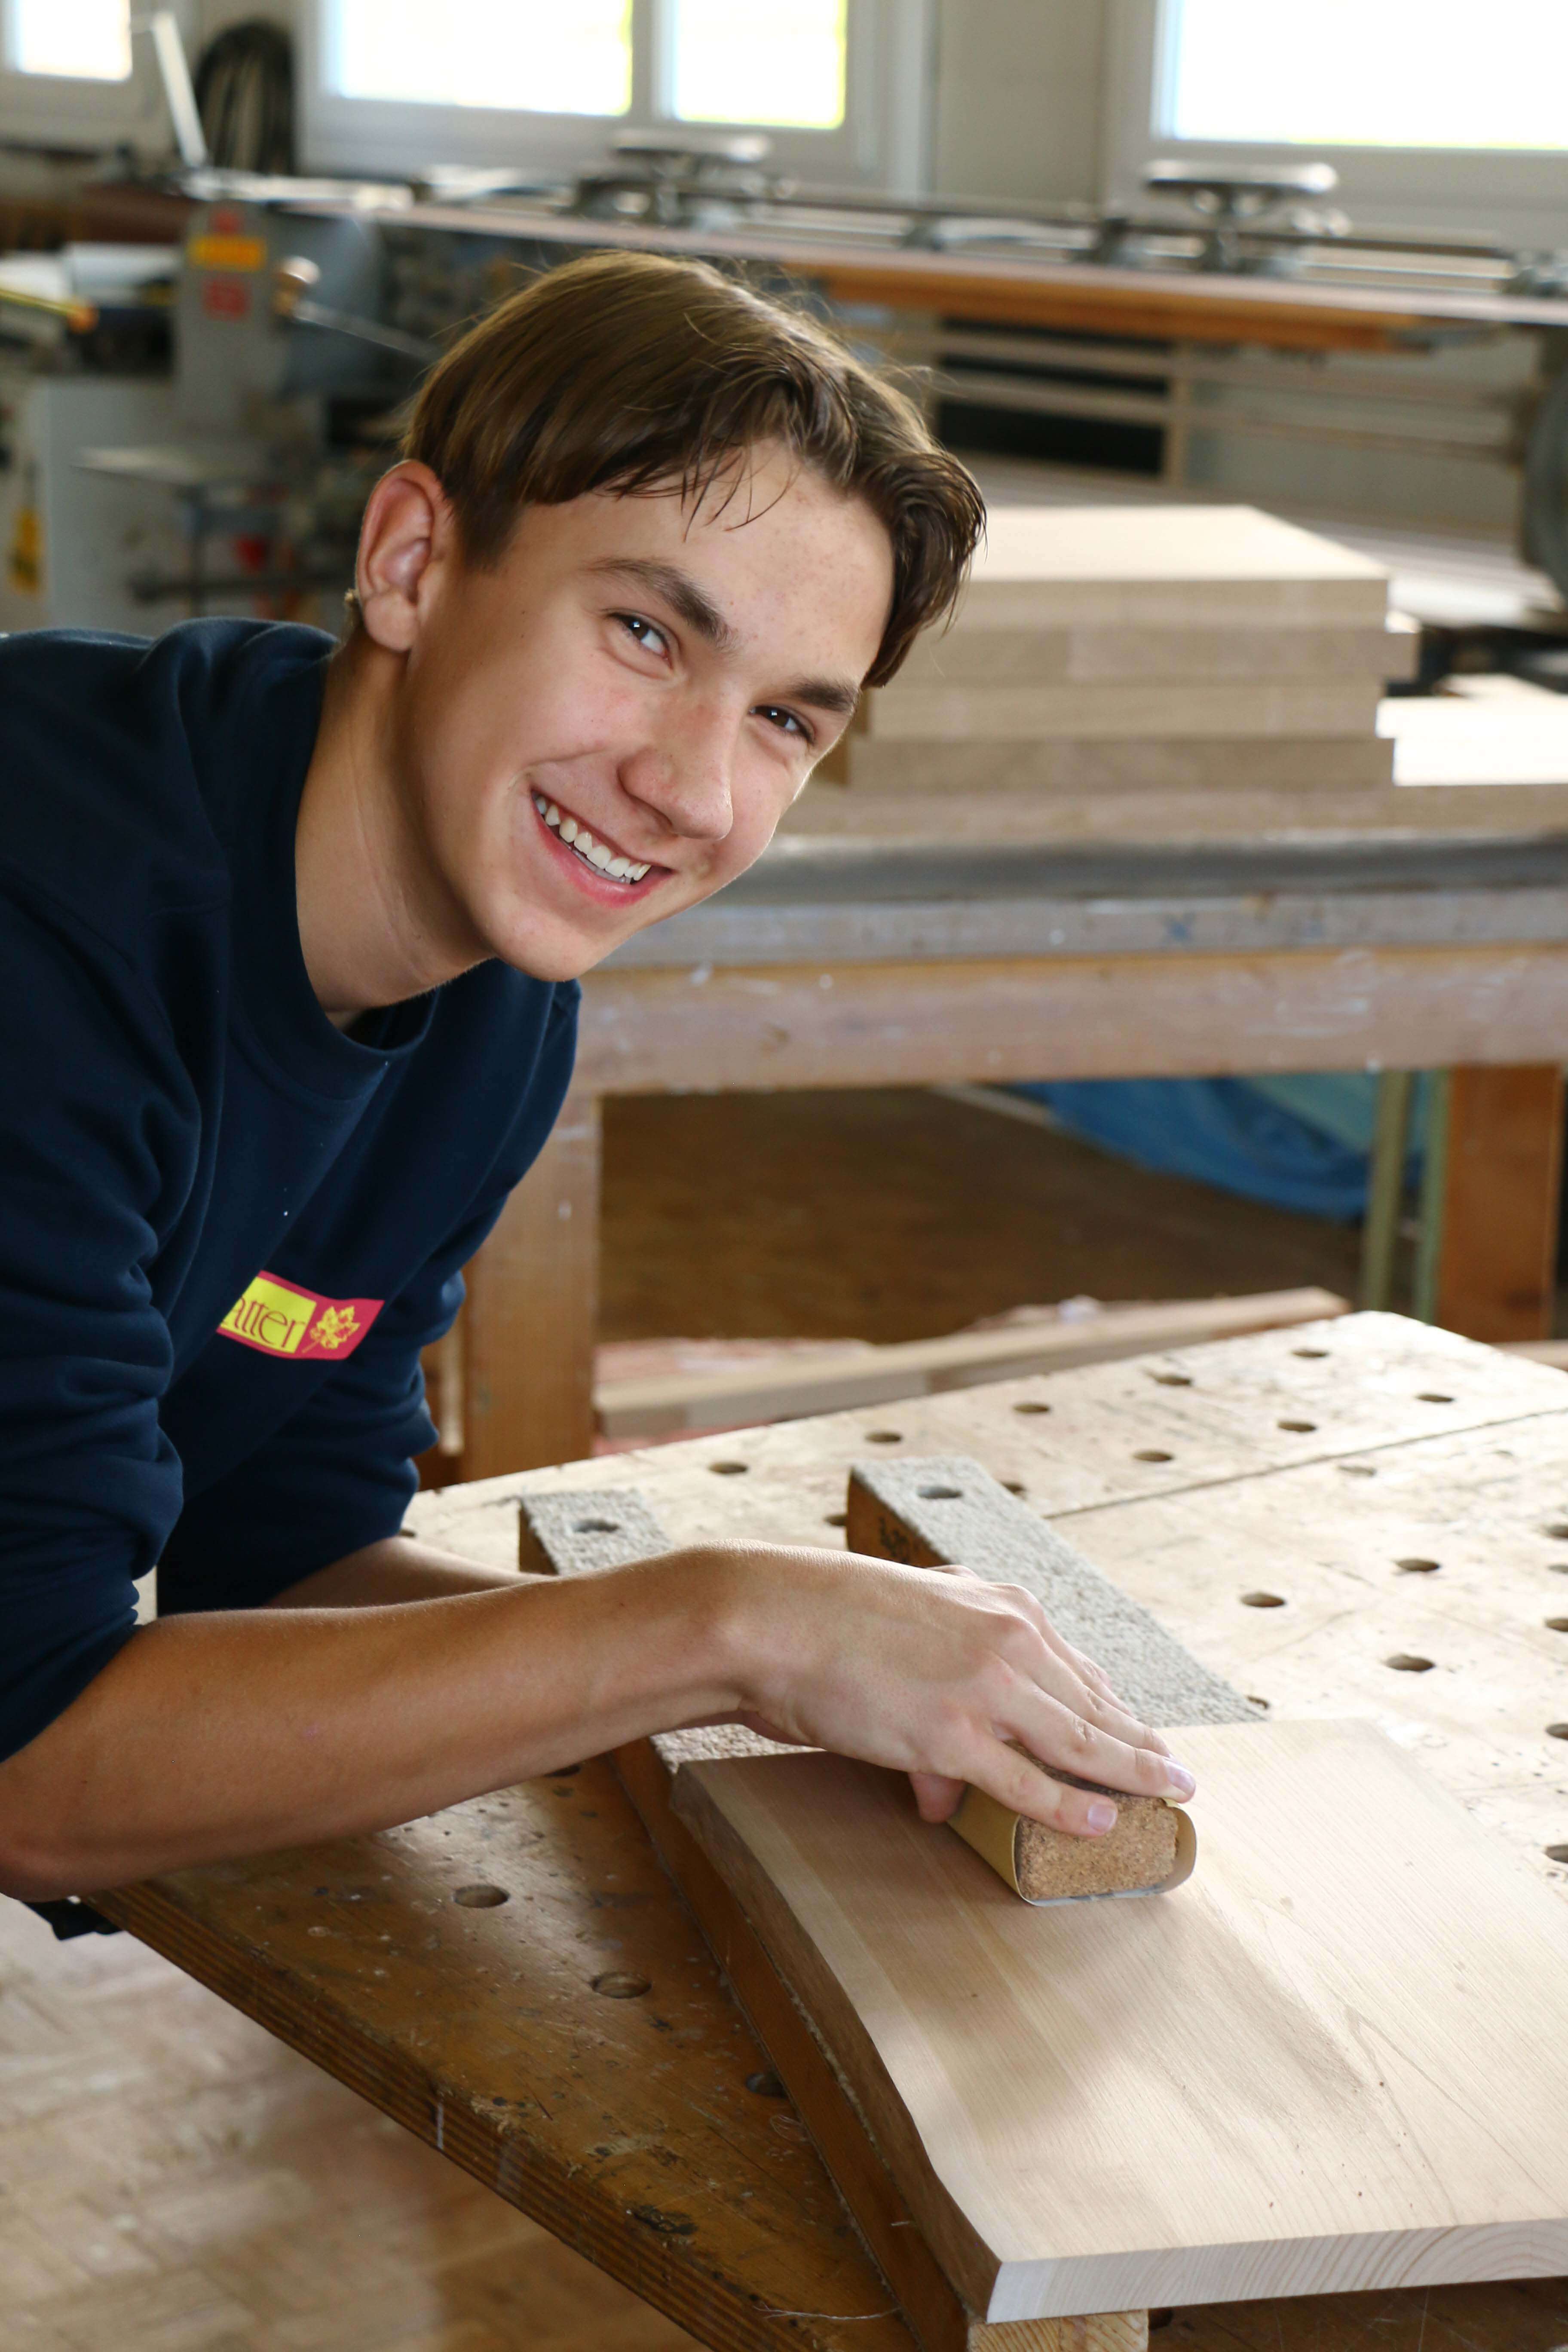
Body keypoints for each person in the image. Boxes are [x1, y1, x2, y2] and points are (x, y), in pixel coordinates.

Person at [0, 251, 1194, 1903]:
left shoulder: (492, 1003)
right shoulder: (44, 918)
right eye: (645, 631)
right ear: (413, 562)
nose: (691, 790)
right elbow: (30, 1766)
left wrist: (805, 1684)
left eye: (786, 720)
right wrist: (723, 1627)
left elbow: (277, 1549)